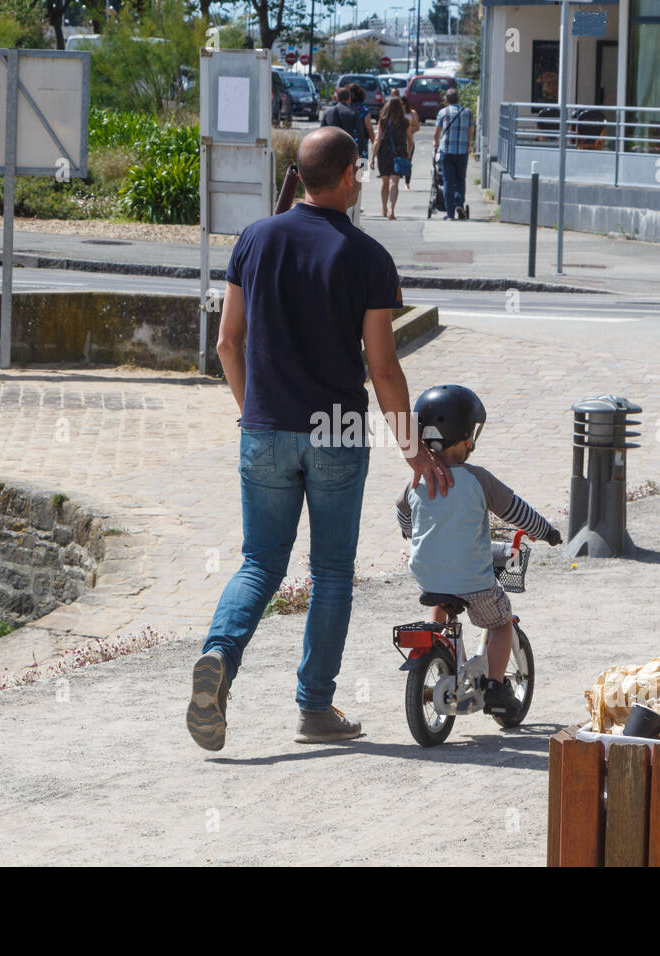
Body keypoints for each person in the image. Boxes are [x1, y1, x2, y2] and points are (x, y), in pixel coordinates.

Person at [187, 126, 454, 752]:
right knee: (331, 571)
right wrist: (414, 449)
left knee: (260, 563)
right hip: (337, 432)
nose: (360, 181)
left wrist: (253, 411)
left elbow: (227, 343)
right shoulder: (366, 256)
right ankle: (313, 707)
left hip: (265, 430)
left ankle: (218, 659)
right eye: (357, 171)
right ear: (343, 176)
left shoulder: (254, 239)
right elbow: (383, 367)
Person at [395, 385, 562, 719]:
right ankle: (497, 687)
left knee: (442, 597)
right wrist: (546, 531)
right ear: (463, 438)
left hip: (427, 575)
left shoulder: (416, 479)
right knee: (500, 621)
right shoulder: (478, 480)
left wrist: (410, 532)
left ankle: (440, 643)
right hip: (474, 581)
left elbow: (403, 513)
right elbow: (517, 512)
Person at [433, 89, 475, 220]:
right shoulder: (467, 112)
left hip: (446, 151)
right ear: (459, 99)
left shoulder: (443, 112)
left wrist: (435, 142)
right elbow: (471, 131)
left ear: (447, 100)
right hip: (462, 152)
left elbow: (437, 132)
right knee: (460, 180)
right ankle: (459, 204)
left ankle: (450, 214)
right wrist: (468, 145)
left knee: (448, 182)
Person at [371, 97, 408, 219]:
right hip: (399, 153)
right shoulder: (405, 122)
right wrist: (408, 153)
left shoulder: (382, 121)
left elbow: (377, 140)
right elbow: (411, 141)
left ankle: (384, 208)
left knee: (385, 181)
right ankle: (392, 210)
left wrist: (372, 157)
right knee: (394, 181)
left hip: (384, 153)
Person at [400, 95, 418, 189]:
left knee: (408, 161)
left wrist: (409, 131)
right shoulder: (396, 113)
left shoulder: (412, 113)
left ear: (406, 104)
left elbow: (417, 127)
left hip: (409, 141)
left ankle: (407, 183)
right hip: (398, 141)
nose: (401, 106)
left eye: (402, 104)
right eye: (399, 104)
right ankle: (395, 179)